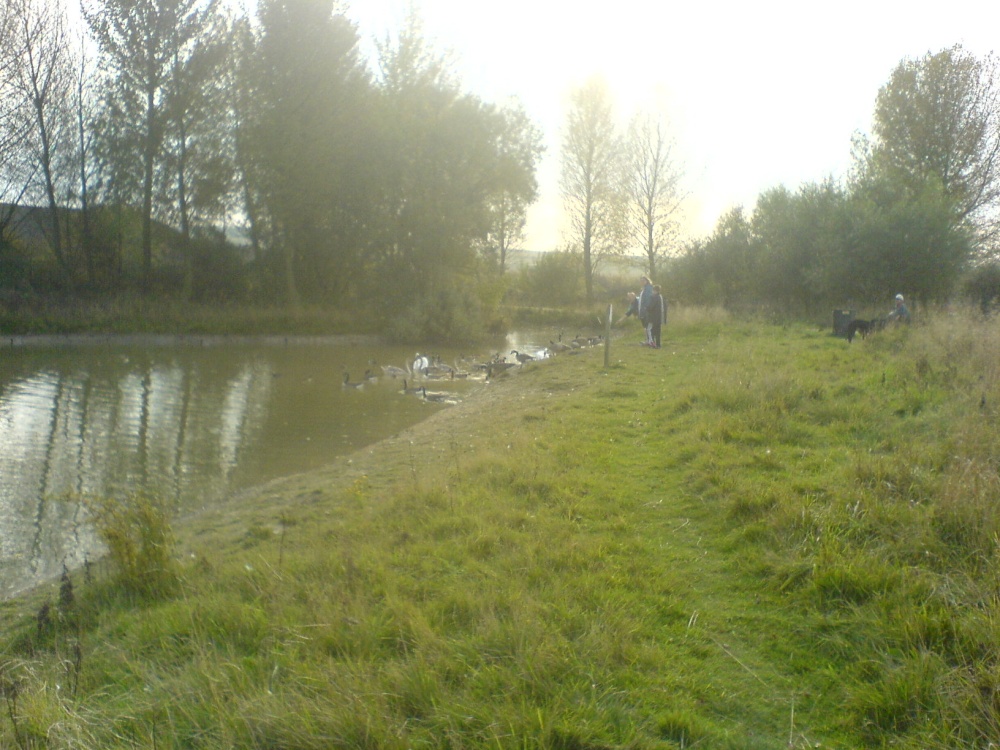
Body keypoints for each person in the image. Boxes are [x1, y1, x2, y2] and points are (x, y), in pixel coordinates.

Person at [637, 275, 654, 345]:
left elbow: (648, 299)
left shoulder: (648, 288)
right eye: (641, 281)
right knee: (644, 326)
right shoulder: (643, 289)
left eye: (643, 280)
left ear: (647, 281)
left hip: (646, 310)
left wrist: (645, 308)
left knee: (647, 326)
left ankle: (650, 341)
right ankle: (647, 340)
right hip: (642, 310)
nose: (642, 282)